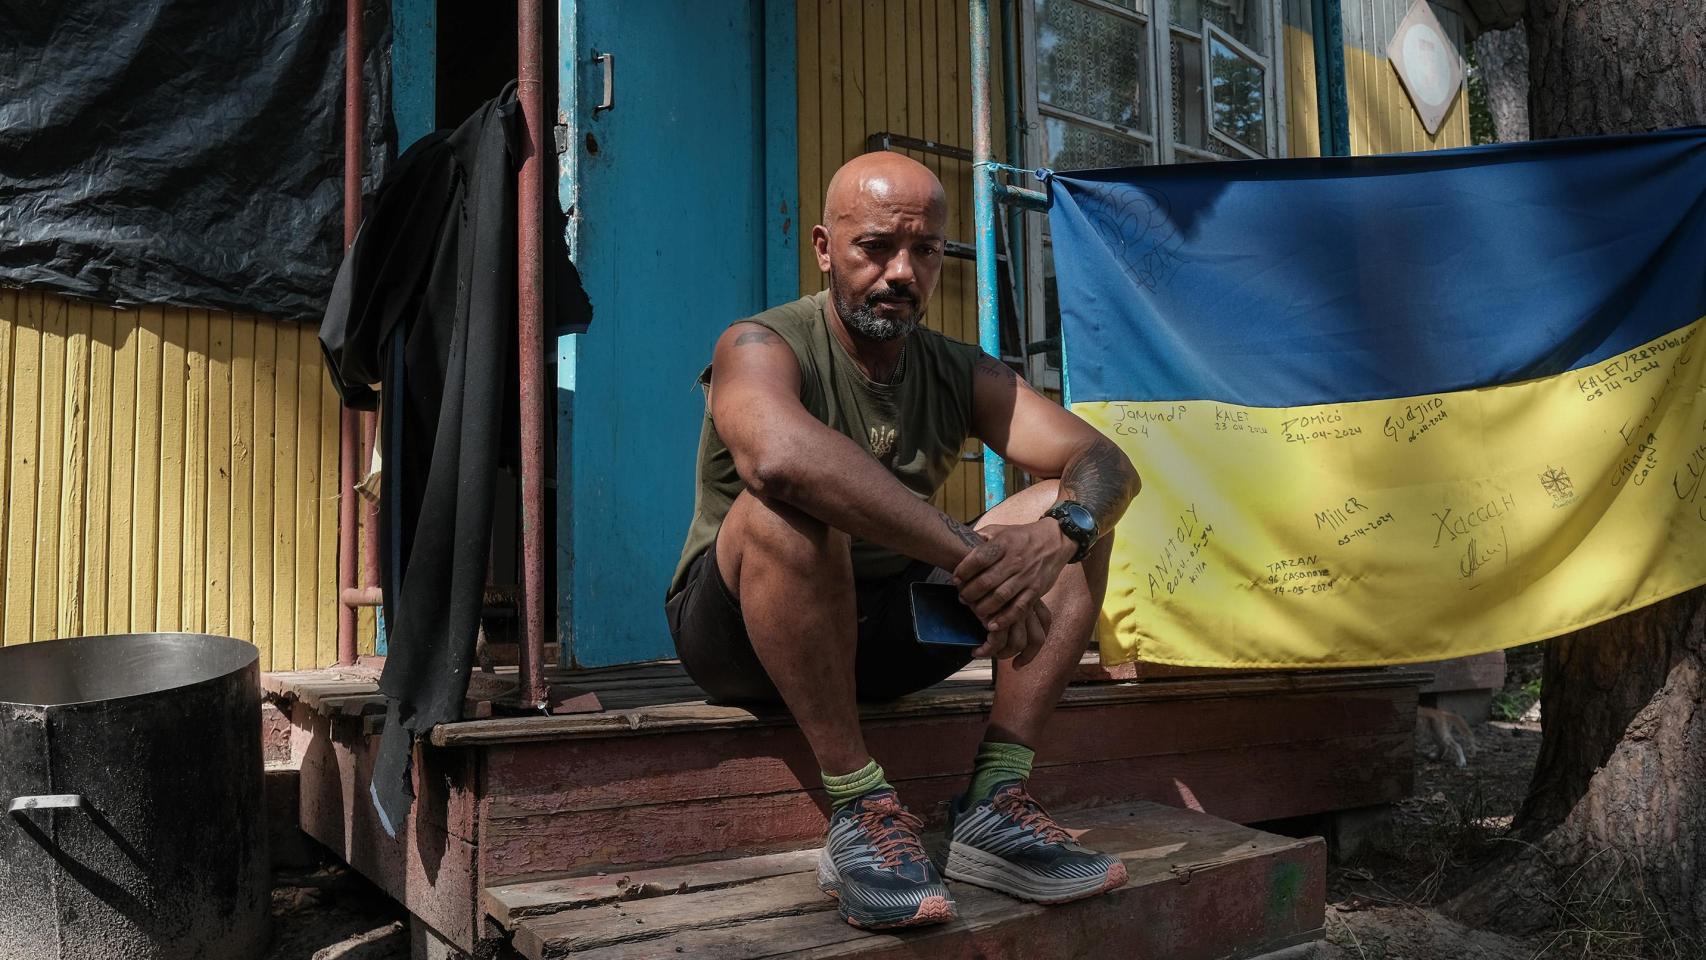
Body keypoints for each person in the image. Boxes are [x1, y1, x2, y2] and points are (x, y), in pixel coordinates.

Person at [664, 151, 1142, 929]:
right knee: (784, 508)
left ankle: (997, 798)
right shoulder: (758, 346)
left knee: (1068, 511)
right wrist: (969, 552)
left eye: (923, 251)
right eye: (876, 247)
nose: (901, 272)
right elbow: (778, 458)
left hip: (881, 629)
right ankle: (859, 808)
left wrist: (1059, 538)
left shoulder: (956, 369)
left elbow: (1106, 461)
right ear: (824, 248)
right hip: (739, 635)